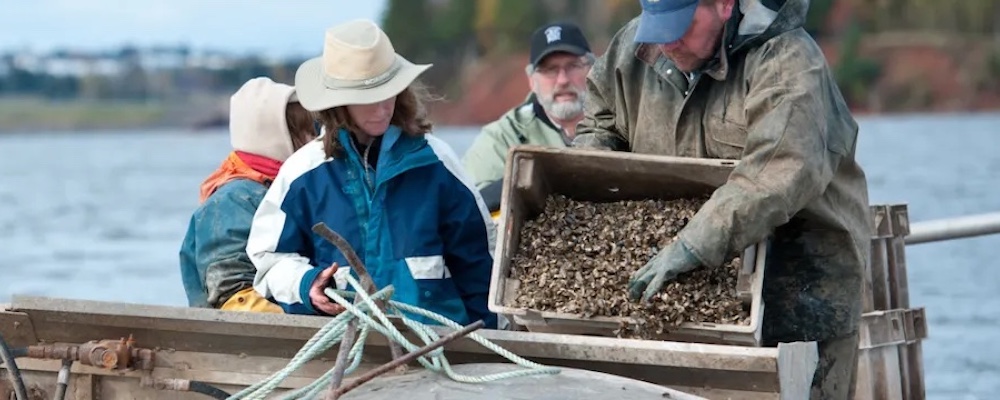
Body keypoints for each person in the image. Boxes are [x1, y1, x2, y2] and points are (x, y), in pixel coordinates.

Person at [572, 0, 870, 398]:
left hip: (800, 283)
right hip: (678, 295)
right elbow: (600, 117)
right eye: (657, 27)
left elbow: (779, 171)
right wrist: (594, 185)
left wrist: (693, 245)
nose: (668, 42)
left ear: (725, 5)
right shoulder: (635, 47)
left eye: (680, 25)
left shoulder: (785, 60)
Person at [247, 19, 498, 329]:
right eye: (367, 98)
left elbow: (480, 263)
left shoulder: (438, 162)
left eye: (389, 92)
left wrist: (492, 346)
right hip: (340, 349)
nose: (382, 108)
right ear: (338, 102)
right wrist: (307, 284)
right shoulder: (302, 173)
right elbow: (268, 260)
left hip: (441, 349)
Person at [179, 77, 318, 313]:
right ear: (275, 136)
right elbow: (233, 297)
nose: (315, 141)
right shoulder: (232, 200)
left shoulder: (286, 188)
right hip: (254, 342)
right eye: (306, 132)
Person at [461, 22, 595, 215]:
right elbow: (470, 208)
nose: (563, 80)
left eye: (573, 66)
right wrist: (530, 175)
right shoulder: (501, 137)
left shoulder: (623, 123)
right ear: (531, 80)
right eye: (550, 69)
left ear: (593, 70)